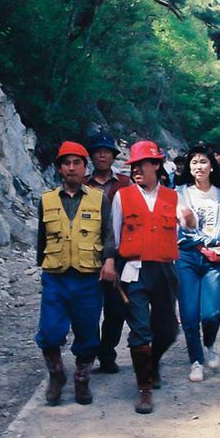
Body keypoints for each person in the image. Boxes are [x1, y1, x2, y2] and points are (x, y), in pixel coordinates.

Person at [35, 142, 114, 405]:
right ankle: (56, 374)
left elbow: (108, 235)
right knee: (49, 332)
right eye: (66, 163)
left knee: (87, 332)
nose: (71, 168)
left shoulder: (98, 198)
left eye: (77, 162)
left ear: (85, 167)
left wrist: (109, 261)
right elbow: (41, 238)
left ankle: (82, 380)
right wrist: (42, 266)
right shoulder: (46, 200)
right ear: (59, 168)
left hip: (88, 276)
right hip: (55, 276)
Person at [111, 140, 185, 414]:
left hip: (164, 270)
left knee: (168, 329)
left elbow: (188, 221)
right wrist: (112, 266)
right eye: (133, 166)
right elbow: (114, 234)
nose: (136, 170)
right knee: (140, 329)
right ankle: (144, 388)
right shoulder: (123, 196)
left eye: (142, 165)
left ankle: (152, 362)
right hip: (134, 270)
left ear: (156, 165)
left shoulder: (172, 197)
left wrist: (188, 219)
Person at [174, 146, 220, 382]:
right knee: (189, 315)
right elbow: (176, 227)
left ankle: (209, 343)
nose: (198, 166)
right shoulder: (178, 193)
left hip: (215, 258)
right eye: (194, 162)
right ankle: (196, 361)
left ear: (212, 165)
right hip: (186, 256)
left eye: (203, 162)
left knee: (211, 313)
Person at [85, 133, 133, 374]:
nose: (102, 154)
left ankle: (107, 351)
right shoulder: (83, 185)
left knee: (116, 309)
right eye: (97, 150)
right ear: (91, 155)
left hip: (120, 255)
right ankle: (91, 351)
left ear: (113, 156)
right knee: (89, 307)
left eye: (107, 150)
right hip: (88, 255)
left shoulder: (125, 184)